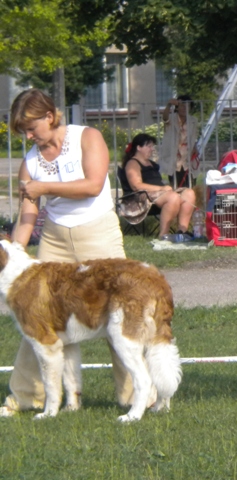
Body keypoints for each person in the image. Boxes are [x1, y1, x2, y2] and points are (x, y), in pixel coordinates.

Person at [0, 88, 152, 417]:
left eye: (31, 128)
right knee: (34, 317)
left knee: (119, 316)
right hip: (54, 237)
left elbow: (93, 184)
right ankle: (24, 397)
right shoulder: (29, 163)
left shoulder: (88, 137)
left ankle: (136, 396)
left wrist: (43, 187)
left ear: (50, 116)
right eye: (23, 131)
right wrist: (16, 250)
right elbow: (28, 213)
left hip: (97, 231)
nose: (28, 136)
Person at [121, 133, 196, 241]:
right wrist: (162, 189)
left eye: (152, 146)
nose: (152, 149)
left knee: (189, 193)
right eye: (149, 146)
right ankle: (163, 235)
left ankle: (182, 232)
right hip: (140, 197)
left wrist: (164, 189)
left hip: (160, 195)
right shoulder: (132, 163)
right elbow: (136, 186)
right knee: (173, 197)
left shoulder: (151, 163)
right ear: (138, 147)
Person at [161, 95, 198, 188]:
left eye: (187, 106)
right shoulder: (172, 118)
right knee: (175, 185)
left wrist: (195, 147)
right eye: (182, 105)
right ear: (177, 107)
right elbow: (165, 118)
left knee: (190, 185)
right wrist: (169, 105)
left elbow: (194, 137)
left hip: (187, 157)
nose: (184, 108)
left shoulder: (193, 120)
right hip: (174, 157)